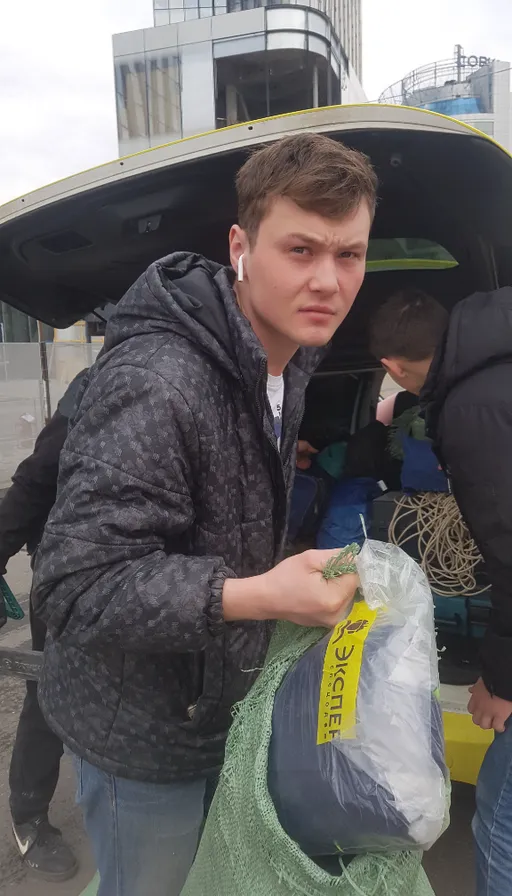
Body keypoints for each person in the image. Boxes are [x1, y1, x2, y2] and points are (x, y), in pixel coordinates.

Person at [31, 133, 377, 896]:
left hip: (215, 709)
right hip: (143, 741)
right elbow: (73, 587)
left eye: (348, 254)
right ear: (240, 245)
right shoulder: (161, 382)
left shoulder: (287, 356)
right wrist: (260, 594)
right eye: (301, 249)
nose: (328, 280)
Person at [369, 286, 512, 896]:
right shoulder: (494, 367)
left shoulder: (473, 410)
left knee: (500, 827)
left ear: (392, 365)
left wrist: (501, 680)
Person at [0, 370, 87, 882]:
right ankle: (28, 813)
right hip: (67, 578)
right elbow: (35, 481)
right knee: (50, 693)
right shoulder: (103, 381)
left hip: (157, 582)